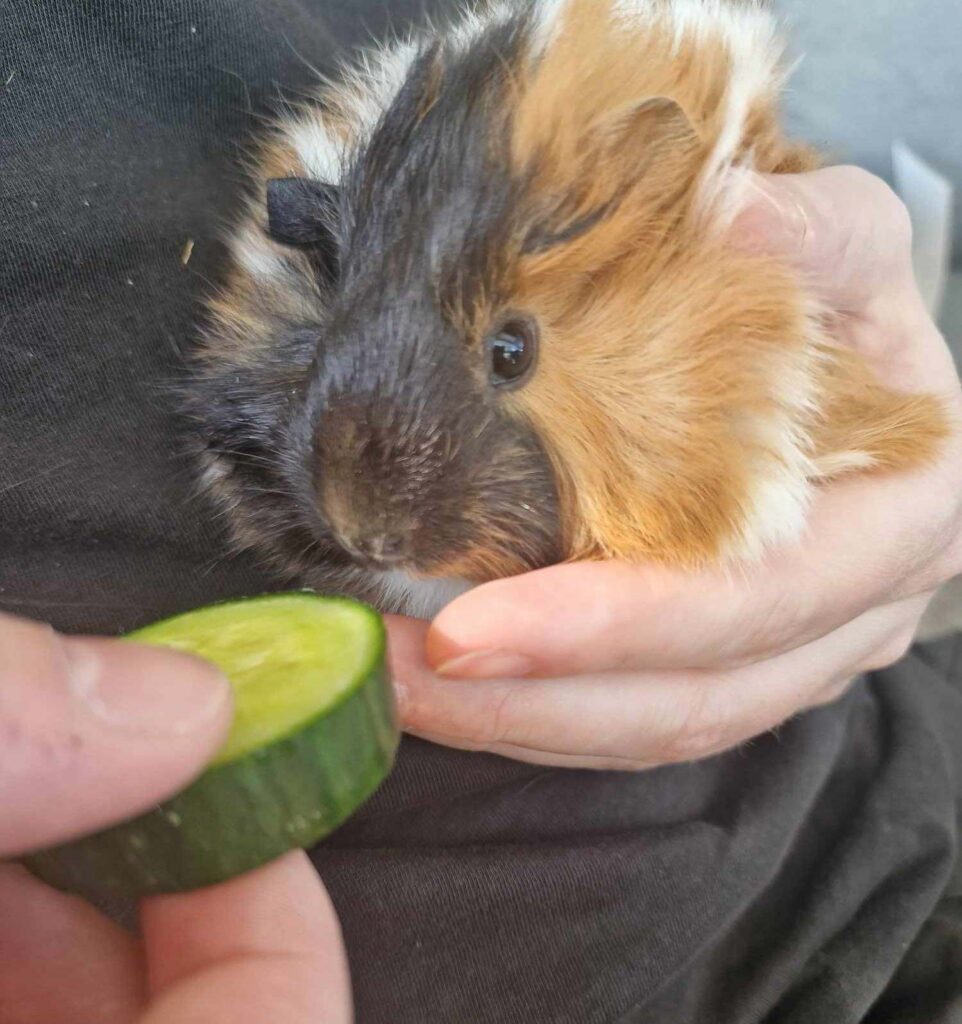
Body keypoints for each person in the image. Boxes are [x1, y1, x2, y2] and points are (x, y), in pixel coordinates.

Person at [2, 2, 961, 1022]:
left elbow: (888, 435)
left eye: (509, 354)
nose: (367, 510)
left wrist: (911, 508)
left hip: (883, 827)